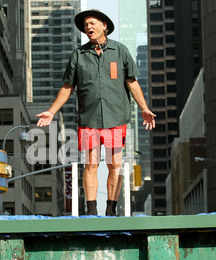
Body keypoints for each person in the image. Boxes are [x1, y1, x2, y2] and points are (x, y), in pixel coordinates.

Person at [37, 9, 156, 216]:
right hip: (89, 119)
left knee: (114, 165)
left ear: (104, 26)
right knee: (90, 164)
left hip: (116, 118)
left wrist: (144, 108)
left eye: (92, 23)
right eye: (85, 26)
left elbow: (132, 82)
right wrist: (51, 111)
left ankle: (111, 210)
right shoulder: (78, 55)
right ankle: (91, 211)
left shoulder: (120, 51)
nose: (88, 28)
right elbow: (67, 87)